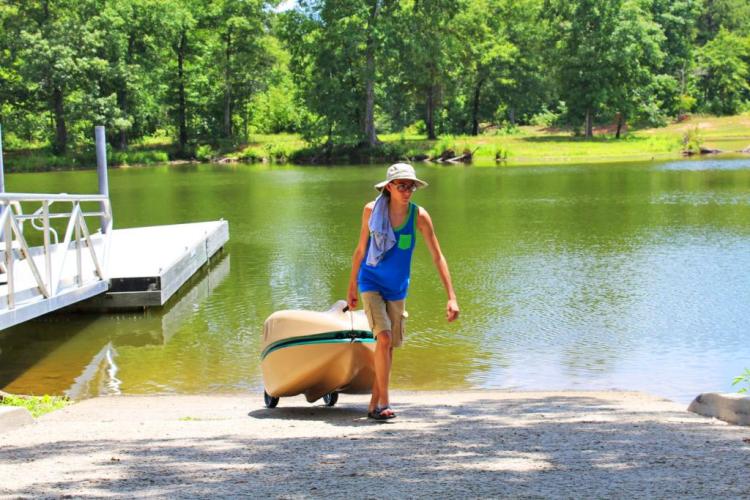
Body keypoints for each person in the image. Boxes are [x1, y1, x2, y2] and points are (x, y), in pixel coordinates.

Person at [347, 163, 459, 420]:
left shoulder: (418, 216)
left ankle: (374, 405)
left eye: (411, 186)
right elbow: (361, 250)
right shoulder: (371, 211)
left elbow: (437, 256)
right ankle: (385, 402)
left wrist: (451, 297)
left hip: (397, 288)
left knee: (389, 347)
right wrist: (351, 285)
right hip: (371, 281)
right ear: (389, 187)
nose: (407, 191)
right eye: (402, 186)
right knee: (383, 338)